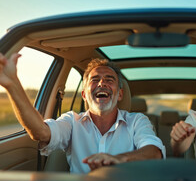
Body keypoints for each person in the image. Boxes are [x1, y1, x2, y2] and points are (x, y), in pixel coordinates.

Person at [0, 53, 165, 173]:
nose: (102, 83)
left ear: (120, 94)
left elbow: (153, 151)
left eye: (109, 79)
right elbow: (41, 132)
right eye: (95, 80)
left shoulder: (137, 120)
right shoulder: (72, 121)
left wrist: (119, 159)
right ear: (85, 94)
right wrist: (12, 85)